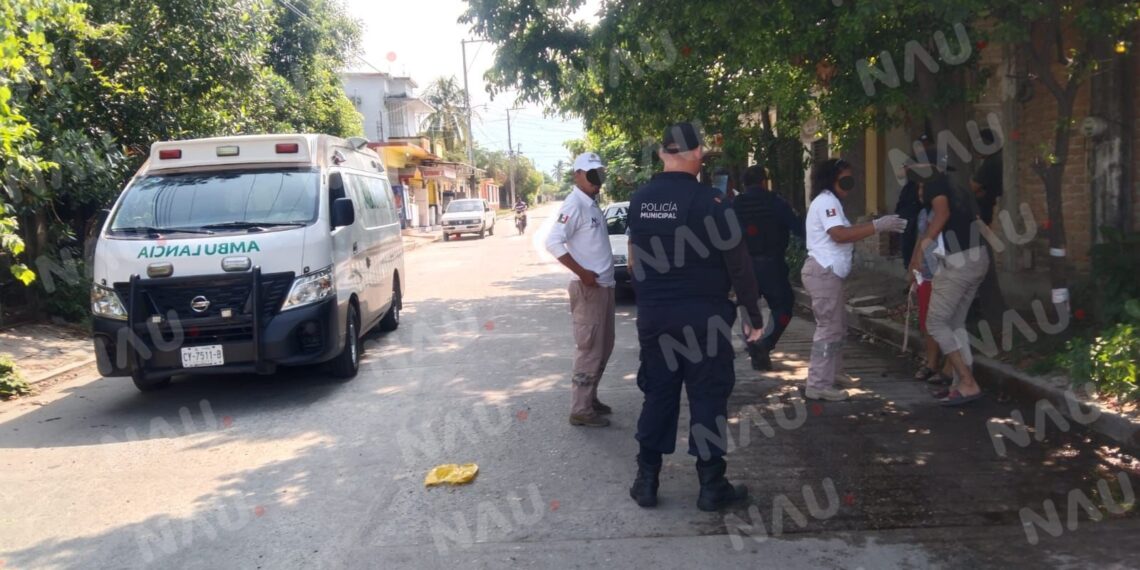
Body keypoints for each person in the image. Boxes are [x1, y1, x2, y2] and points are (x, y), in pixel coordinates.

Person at [626, 122, 765, 512]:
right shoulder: (713, 203)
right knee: (707, 396)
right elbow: (738, 263)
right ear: (698, 155)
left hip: (655, 318)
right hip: (704, 320)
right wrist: (753, 315)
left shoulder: (640, 201)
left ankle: (647, 480)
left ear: (661, 154)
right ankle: (710, 486)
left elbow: (635, 261)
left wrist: (651, 302)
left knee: (658, 394)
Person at [802, 159, 907, 402]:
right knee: (828, 328)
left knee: (837, 326)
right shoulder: (827, 202)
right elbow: (839, 235)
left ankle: (833, 372)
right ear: (831, 179)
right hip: (823, 272)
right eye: (844, 180)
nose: (849, 185)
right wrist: (876, 226)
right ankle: (818, 383)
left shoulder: (830, 201)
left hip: (826, 273)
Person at [908, 156, 990, 406]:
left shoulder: (935, 183)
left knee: (935, 322)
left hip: (959, 263)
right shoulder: (957, 186)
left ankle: (967, 381)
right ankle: (960, 385)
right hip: (977, 258)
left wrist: (922, 250)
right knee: (955, 323)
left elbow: (941, 215)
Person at [544, 152, 616, 427]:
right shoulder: (574, 204)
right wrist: (583, 273)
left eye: (600, 174)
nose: (597, 180)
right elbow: (553, 243)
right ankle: (580, 409)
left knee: (603, 347)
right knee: (589, 350)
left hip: (604, 287)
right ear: (577, 175)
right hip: (590, 290)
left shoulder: (590, 203)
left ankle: (590, 398)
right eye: (591, 174)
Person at [732, 164, 805, 370]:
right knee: (783, 307)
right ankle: (766, 343)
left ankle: (755, 346)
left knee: (747, 308)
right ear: (764, 182)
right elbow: (798, 228)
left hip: (745, 268)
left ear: (744, 185)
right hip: (773, 266)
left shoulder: (735, 205)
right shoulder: (776, 202)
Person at [909, 182, 953, 386]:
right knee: (927, 320)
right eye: (918, 189)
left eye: (923, 188)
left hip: (945, 271)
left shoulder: (945, 213)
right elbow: (921, 237)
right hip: (926, 272)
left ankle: (950, 367)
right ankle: (931, 362)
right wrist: (913, 263)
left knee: (944, 320)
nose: (920, 193)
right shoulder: (923, 213)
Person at [969, 128, 1006, 327]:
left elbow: (972, 187)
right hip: (986, 213)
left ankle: (976, 303)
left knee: (975, 256)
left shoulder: (991, 162)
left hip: (982, 216)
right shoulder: (996, 160)